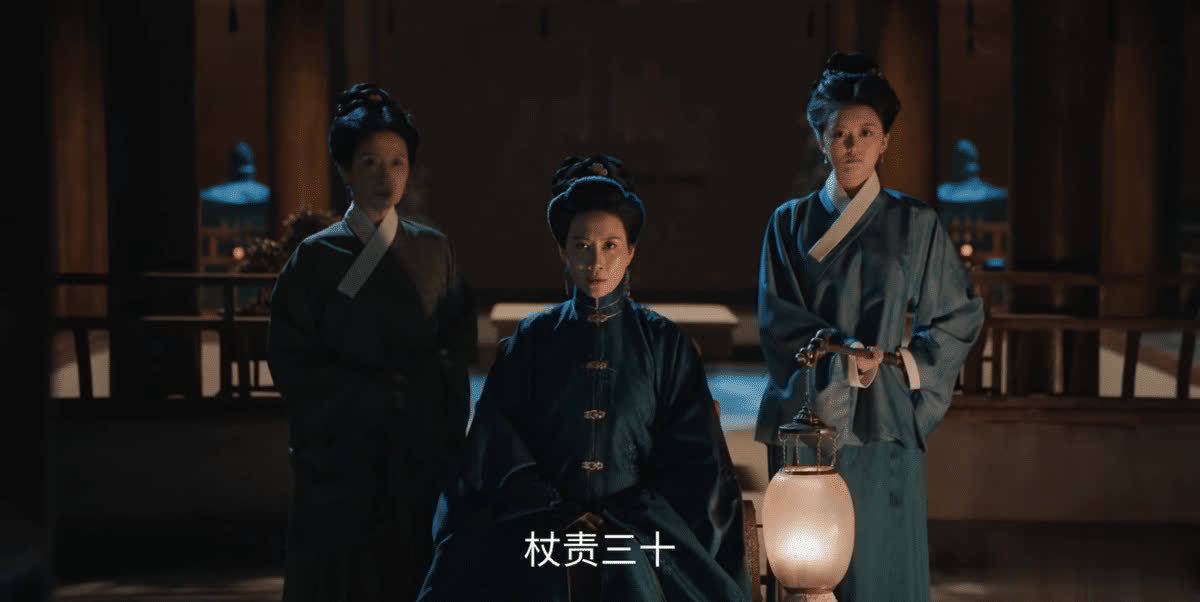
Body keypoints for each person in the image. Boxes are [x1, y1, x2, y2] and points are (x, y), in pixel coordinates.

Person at [419, 155, 751, 601]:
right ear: (563, 251)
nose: (596, 260)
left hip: (639, 523)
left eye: (611, 245)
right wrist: (552, 506)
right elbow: (496, 445)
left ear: (631, 252)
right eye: (581, 245)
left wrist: (624, 514)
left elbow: (695, 459)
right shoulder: (532, 340)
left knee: (632, 566)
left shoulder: (664, 343)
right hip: (540, 519)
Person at [755, 52, 985, 601]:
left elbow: (959, 314)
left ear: (885, 141)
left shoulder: (916, 222)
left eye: (866, 133)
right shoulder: (788, 222)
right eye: (840, 133)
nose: (852, 146)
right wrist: (839, 356)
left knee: (882, 567)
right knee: (810, 569)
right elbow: (777, 318)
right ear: (821, 140)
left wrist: (905, 365)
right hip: (810, 413)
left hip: (883, 414)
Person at [267, 83, 477, 601]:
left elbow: (456, 344)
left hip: (416, 442)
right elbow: (293, 356)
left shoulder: (435, 251)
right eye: (370, 163)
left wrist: (433, 413)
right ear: (345, 170)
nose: (386, 176)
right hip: (343, 451)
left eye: (397, 163)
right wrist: (360, 398)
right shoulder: (315, 258)